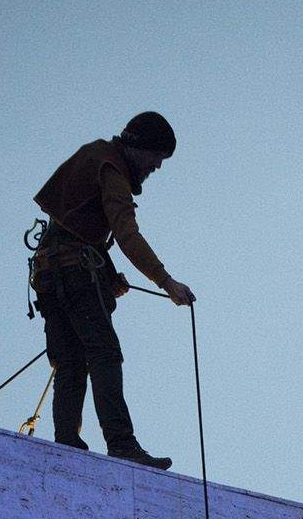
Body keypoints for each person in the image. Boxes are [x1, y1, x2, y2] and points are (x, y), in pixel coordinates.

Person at [31, 110, 196, 467]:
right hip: (73, 272)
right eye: (156, 157)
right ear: (139, 147)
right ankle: (121, 443)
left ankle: (65, 444)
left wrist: (106, 274)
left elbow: (71, 226)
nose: (157, 167)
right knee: (104, 353)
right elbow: (126, 233)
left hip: (48, 274)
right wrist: (166, 282)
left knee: (70, 361)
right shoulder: (112, 168)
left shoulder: (93, 154)